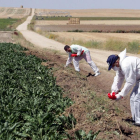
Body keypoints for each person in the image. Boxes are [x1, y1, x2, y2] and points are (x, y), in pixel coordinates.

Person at [107, 48, 140, 126]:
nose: (113, 68)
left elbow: (130, 82)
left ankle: (138, 121)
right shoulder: (120, 66)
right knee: (132, 97)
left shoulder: (125, 64)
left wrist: (120, 95)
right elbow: (118, 78)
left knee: (137, 98)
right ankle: (136, 119)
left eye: (112, 66)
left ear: (116, 62)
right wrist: (114, 91)